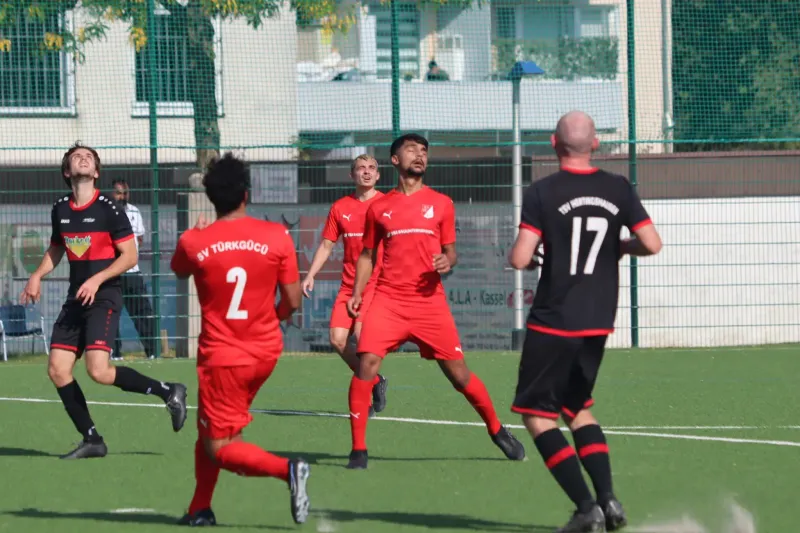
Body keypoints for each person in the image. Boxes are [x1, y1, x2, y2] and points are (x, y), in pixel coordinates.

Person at [508, 111, 663, 533]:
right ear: (596, 144)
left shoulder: (542, 191)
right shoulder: (617, 188)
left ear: (553, 143)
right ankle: (609, 500)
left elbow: (522, 257)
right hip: (598, 322)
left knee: (538, 417)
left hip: (554, 319)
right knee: (578, 409)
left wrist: (521, 254)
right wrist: (621, 245)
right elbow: (652, 243)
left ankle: (585, 507)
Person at [344, 133, 526, 470]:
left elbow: (451, 251)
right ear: (395, 160)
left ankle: (498, 429)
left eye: (424, 151)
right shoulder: (379, 208)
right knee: (366, 361)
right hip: (389, 300)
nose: (420, 155)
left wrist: (448, 261)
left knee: (459, 375)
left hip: (429, 303)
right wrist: (358, 292)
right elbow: (367, 255)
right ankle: (358, 450)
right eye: (411, 150)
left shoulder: (442, 203)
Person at [20, 142, 188, 460]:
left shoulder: (110, 208)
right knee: (57, 369)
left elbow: (130, 255)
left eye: (90, 158)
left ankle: (168, 392)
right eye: (76, 157)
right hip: (75, 298)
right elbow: (57, 248)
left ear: (96, 172)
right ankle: (92, 439)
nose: (83, 158)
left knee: (98, 371)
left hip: (105, 295)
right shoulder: (60, 208)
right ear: (67, 171)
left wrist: (97, 279)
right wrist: (36, 275)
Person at [170, 153, 310, 526]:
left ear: (211, 199)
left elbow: (180, 270)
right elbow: (293, 300)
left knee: (220, 448)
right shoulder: (277, 235)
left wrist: (196, 235)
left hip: (223, 358)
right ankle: (200, 508)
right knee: (211, 428)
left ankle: (289, 470)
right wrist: (270, 320)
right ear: (247, 194)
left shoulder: (193, 241)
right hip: (265, 353)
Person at [301, 154, 388, 417]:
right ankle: (375, 381)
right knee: (337, 340)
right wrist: (310, 274)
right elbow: (327, 245)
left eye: (372, 168)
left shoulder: (387, 204)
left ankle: (364, 402)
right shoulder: (340, 207)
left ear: (378, 175)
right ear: (352, 175)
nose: (366, 172)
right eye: (361, 168)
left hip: (376, 285)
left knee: (362, 340)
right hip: (349, 287)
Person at [110, 178, 158, 360]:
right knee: (111, 314)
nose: (122, 196)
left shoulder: (134, 212)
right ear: (112, 194)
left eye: (125, 193)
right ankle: (115, 354)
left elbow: (139, 239)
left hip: (132, 272)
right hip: (113, 273)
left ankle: (153, 351)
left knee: (143, 313)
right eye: (118, 192)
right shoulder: (106, 212)